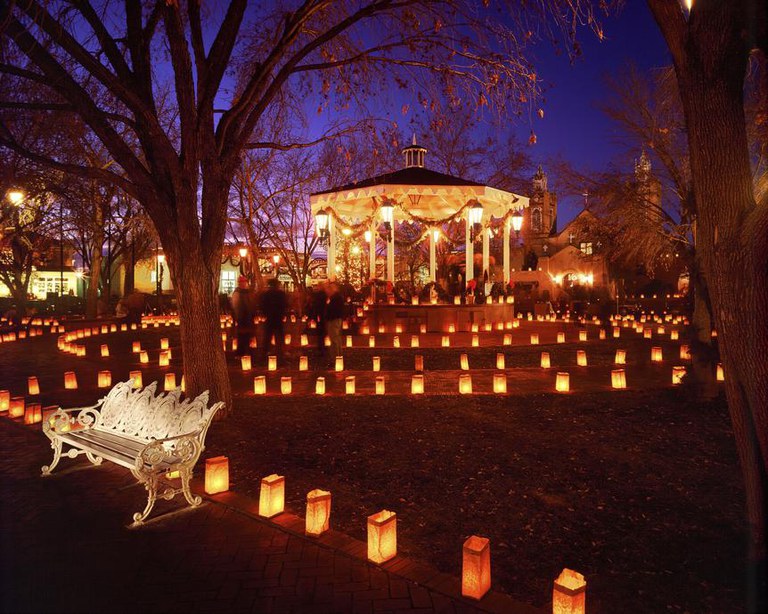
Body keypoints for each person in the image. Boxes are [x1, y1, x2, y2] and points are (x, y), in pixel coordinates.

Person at [260, 278, 288, 358]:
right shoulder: (281, 294)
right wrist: (283, 314)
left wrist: (265, 314)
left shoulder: (266, 294)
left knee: (268, 336)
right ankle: (280, 351)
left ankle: (265, 352)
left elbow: (263, 305)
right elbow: (284, 305)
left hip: (270, 317)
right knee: (279, 335)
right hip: (278, 317)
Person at [230, 276, 257, 356]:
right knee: (242, 335)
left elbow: (251, 303)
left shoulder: (248, 292)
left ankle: (247, 350)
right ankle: (241, 352)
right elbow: (236, 306)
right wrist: (238, 316)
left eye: (245, 282)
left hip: (248, 317)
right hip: (242, 317)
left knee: (248, 335)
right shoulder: (237, 293)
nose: (244, 284)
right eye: (242, 282)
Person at [325, 282, 344, 361]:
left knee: (334, 339)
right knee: (337, 338)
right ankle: (338, 355)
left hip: (333, 320)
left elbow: (332, 309)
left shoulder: (335, 298)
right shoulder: (337, 297)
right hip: (336, 319)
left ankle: (336, 356)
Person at [309, 283, 327, 356]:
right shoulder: (324, 295)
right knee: (322, 332)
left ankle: (321, 347)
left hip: (320, 315)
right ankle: (322, 347)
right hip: (322, 315)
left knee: (320, 332)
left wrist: (314, 316)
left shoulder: (319, 295)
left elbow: (316, 306)